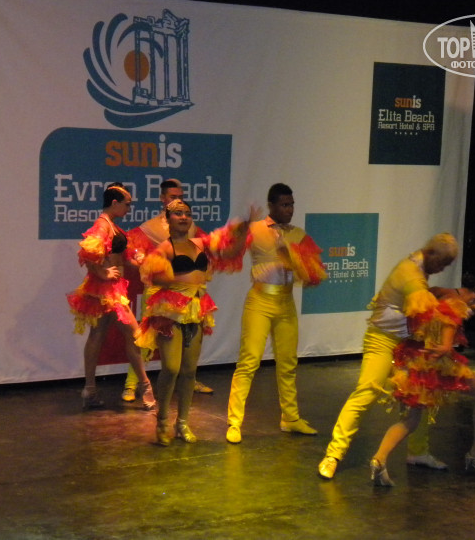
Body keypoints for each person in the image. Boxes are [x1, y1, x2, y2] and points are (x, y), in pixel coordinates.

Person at [317, 233, 459, 479]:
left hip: (406, 342)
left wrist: (456, 295)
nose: (441, 269)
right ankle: (333, 454)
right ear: (431, 253)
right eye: (441, 263)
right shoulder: (410, 273)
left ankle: (418, 452)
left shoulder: (419, 266)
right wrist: (459, 304)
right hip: (382, 340)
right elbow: (429, 310)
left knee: (419, 394)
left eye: (447, 266)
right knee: (367, 391)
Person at [136, 199, 252, 445]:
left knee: (189, 371)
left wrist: (242, 229)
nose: (184, 217)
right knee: (171, 368)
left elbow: (230, 252)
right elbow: (153, 276)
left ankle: (182, 423)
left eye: (187, 213)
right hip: (170, 312)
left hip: (197, 309)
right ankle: (162, 420)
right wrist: (171, 278)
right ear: (167, 219)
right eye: (178, 213)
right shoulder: (165, 249)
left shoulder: (200, 243)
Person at [369, 281, 475, 486]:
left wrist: (471, 311)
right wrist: (444, 346)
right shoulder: (454, 306)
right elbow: (445, 342)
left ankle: (379, 459)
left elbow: (432, 317)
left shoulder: (438, 293)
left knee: (410, 420)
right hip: (436, 366)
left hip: (411, 361)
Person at [226, 183, 327, 444]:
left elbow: (313, 274)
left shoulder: (298, 234)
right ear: (271, 205)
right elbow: (231, 252)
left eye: (291, 204)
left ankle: (290, 418)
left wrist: (298, 262)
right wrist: (242, 227)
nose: (289, 210)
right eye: (284, 205)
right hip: (259, 300)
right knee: (249, 361)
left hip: (285, 302)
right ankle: (234, 422)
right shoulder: (256, 229)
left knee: (288, 362)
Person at [66, 182, 156, 410]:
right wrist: (102, 272)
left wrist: (139, 262)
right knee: (135, 335)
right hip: (108, 290)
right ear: (114, 203)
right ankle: (145, 386)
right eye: (127, 204)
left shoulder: (111, 225)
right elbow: (88, 251)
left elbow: (119, 256)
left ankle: (89, 389)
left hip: (109, 289)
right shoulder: (102, 225)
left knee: (97, 335)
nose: (129, 208)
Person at [123, 179, 214, 403]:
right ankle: (132, 384)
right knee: (146, 337)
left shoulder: (189, 225)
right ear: (162, 199)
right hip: (158, 292)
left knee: (189, 339)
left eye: (181, 197)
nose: (178, 201)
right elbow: (132, 252)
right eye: (173, 197)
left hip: (187, 293)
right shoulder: (150, 228)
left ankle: (189, 379)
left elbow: (205, 248)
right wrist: (145, 263)